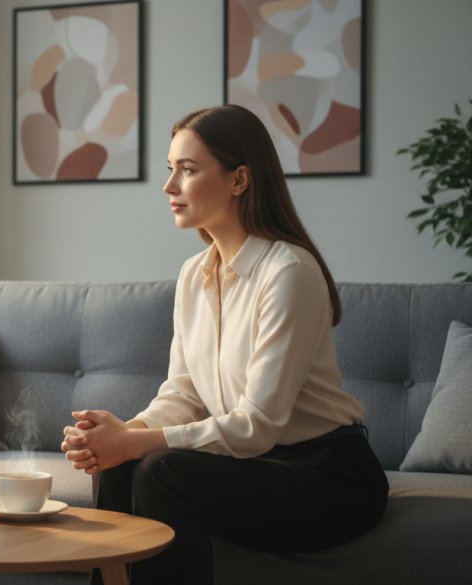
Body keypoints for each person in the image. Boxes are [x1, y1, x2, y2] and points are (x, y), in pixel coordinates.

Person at [62, 105, 388, 584]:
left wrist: (134, 442)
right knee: (120, 468)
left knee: (158, 470)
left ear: (239, 180)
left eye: (188, 170)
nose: (170, 186)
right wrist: (119, 436)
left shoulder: (288, 273)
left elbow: (257, 427)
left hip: (327, 476)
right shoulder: (194, 275)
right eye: (170, 169)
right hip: (252, 468)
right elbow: (185, 394)